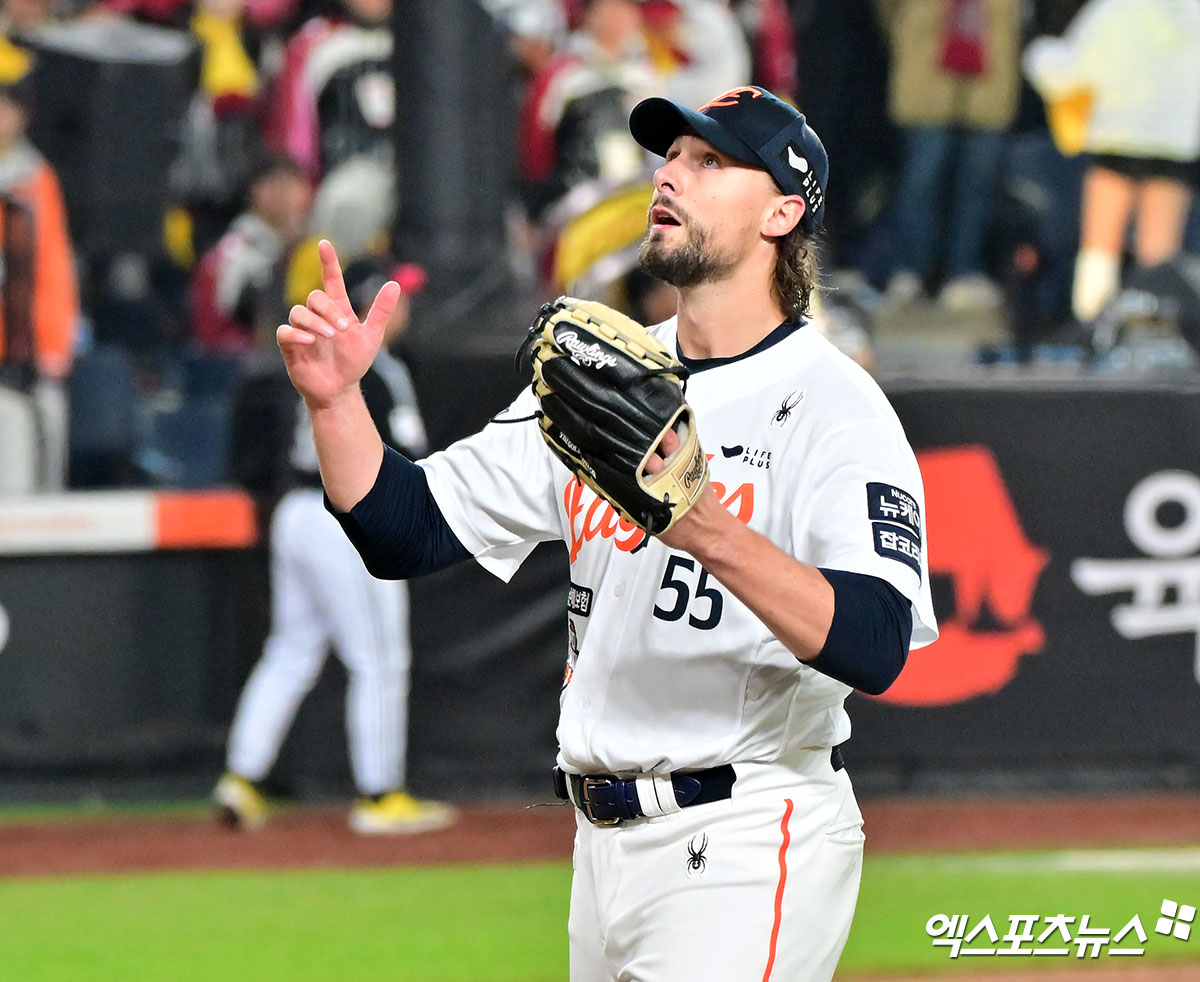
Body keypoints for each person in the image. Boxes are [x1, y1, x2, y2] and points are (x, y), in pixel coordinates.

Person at [278, 85, 937, 979]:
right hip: (600, 850)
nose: (670, 175)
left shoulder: (834, 406)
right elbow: (405, 531)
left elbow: (876, 643)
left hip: (746, 831)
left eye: (710, 161)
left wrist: (704, 527)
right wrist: (335, 402)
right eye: (671, 156)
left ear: (784, 211)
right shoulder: (608, 378)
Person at [213, 256, 455, 836]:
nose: (407, 308)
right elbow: (405, 463)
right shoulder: (380, 367)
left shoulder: (330, 356)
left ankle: (241, 779)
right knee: (379, 658)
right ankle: (380, 795)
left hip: (295, 514)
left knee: (291, 650)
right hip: (344, 518)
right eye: (398, 296)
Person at [1022, 0, 1200, 326]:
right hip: (1174, 144)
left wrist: (1038, 54)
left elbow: (1072, 72)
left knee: (1100, 250)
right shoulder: (1191, 12)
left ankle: (1093, 327)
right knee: (1159, 260)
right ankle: (1156, 332)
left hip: (1117, 138)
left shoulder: (1113, 10)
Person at [876, 0, 1023, 312]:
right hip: (927, 78)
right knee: (920, 182)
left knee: (978, 185)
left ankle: (964, 272)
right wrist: (908, 33)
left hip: (989, 80)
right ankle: (910, 271)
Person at [190, 153, 312, 355]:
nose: (283, 195)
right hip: (233, 363)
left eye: (290, 185)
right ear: (255, 192)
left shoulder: (307, 243)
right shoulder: (237, 248)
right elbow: (243, 312)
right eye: (274, 185)